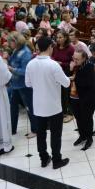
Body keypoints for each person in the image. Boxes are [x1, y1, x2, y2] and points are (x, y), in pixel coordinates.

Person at [25, 36, 70, 169]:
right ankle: (56, 160)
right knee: (55, 134)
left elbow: (28, 84)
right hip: (54, 106)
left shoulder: (31, 63)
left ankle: (44, 158)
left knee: (41, 134)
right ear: (50, 47)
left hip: (38, 105)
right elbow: (66, 83)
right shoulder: (53, 65)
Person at [7, 32, 37, 138]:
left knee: (30, 108)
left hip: (24, 85)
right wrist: (7, 59)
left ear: (15, 41)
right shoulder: (16, 50)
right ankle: (12, 129)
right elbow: (11, 62)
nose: (8, 44)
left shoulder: (26, 52)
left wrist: (12, 69)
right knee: (13, 107)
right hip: (15, 84)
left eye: (9, 42)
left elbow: (25, 71)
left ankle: (35, 130)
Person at [69, 49, 95, 151]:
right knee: (78, 118)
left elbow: (87, 83)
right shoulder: (75, 66)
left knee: (87, 119)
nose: (74, 60)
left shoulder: (89, 66)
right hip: (74, 96)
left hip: (87, 98)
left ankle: (89, 138)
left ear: (84, 58)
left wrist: (74, 77)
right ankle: (82, 136)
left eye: (77, 59)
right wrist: (72, 70)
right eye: (74, 58)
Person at [52, 31, 75, 123]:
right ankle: (61, 111)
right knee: (58, 92)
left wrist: (62, 63)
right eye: (57, 37)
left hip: (66, 72)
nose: (58, 39)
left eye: (60, 37)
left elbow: (73, 62)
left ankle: (69, 112)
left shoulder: (70, 48)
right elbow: (52, 57)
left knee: (66, 93)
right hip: (56, 72)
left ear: (65, 38)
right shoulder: (55, 47)